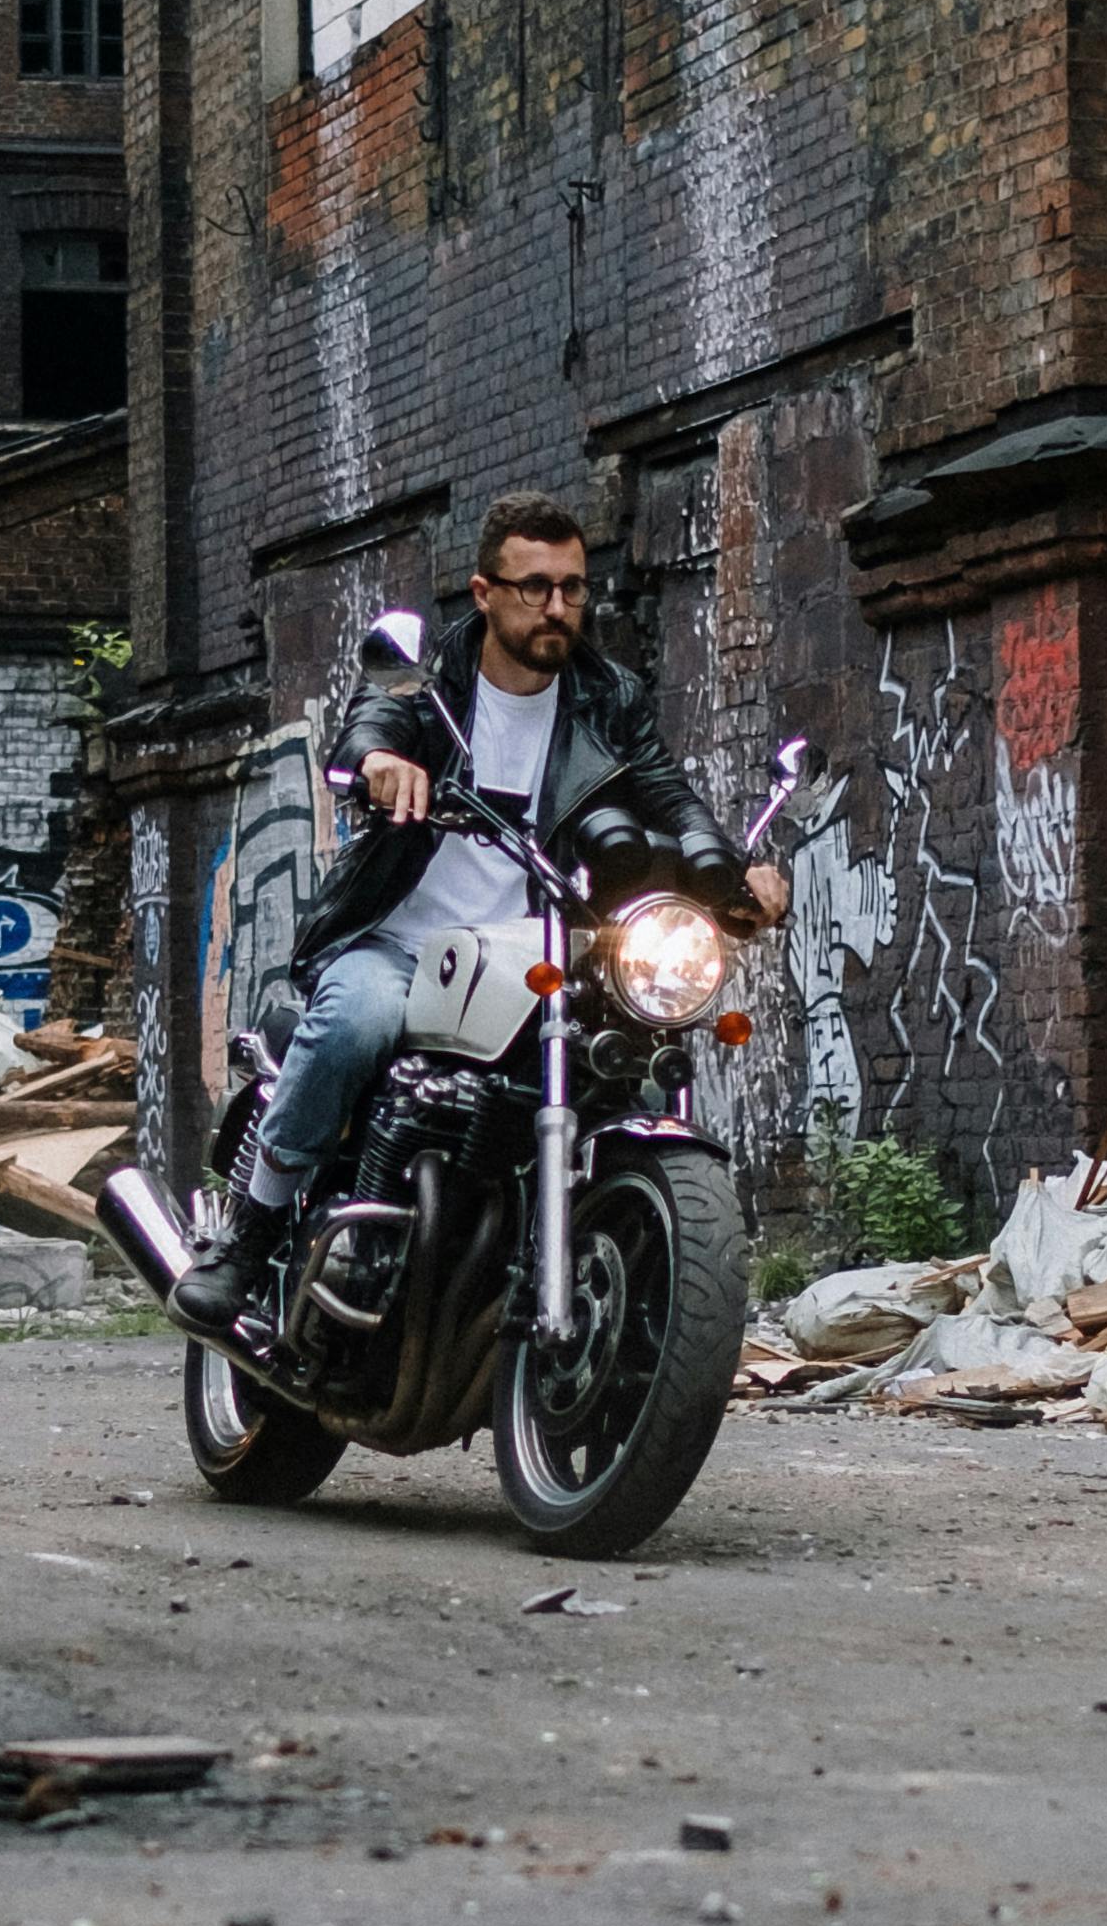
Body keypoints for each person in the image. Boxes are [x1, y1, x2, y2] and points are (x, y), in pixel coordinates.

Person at [170, 494, 787, 1339]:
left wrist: (731, 869)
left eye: (572, 588)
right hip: (396, 942)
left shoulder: (608, 697)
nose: (557, 608)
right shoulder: (429, 684)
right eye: (534, 588)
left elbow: (666, 793)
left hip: (540, 947)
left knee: (629, 1053)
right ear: (485, 592)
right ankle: (251, 1239)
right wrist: (382, 764)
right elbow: (367, 729)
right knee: (352, 1025)